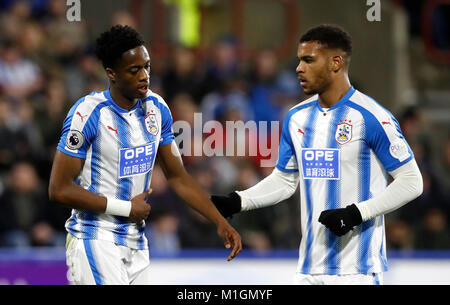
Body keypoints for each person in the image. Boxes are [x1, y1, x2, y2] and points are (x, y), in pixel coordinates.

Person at [211, 24, 423, 285]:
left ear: (336, 63)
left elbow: (412, 182)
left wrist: (355, 214)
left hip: (356, 270)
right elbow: (285, 181)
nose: (299, 68)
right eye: (300, 60)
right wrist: (238, 201)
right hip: (309, 270)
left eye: (309, 60)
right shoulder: (296, 118)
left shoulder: (372, 117)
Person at [48, 25, 242, 285]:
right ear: (111, 73)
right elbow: (59, 189)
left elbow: (178, 177)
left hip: (136, 242)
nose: (144, 76)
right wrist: (126, 208)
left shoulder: (157, 108)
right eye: (134, 70)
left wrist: (219, 220)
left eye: (147, 67)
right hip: (94, 238)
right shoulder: (87, 115)